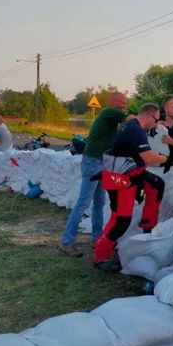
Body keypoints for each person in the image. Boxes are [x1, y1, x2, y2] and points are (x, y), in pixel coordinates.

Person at [93, 103, 167, 272]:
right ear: (149, 116)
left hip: (132, 173)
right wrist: (164, 158)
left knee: (156, 185)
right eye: (156, 120)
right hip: (120, 179)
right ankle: (100, 256)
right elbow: (148, 155)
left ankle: (148, 229)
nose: (155, 125)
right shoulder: (135, 130)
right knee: (121, 220)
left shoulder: (133, 126)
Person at [59, 92, 132, 258]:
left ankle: (97, 238)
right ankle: (66, 241)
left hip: (101, 162)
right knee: (83, 202)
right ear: (115, 102)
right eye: (123, 103)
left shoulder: (111, 119)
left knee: (99, 202)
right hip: (93, 161)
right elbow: (133, 119)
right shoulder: (109, 112)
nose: (125, 106)